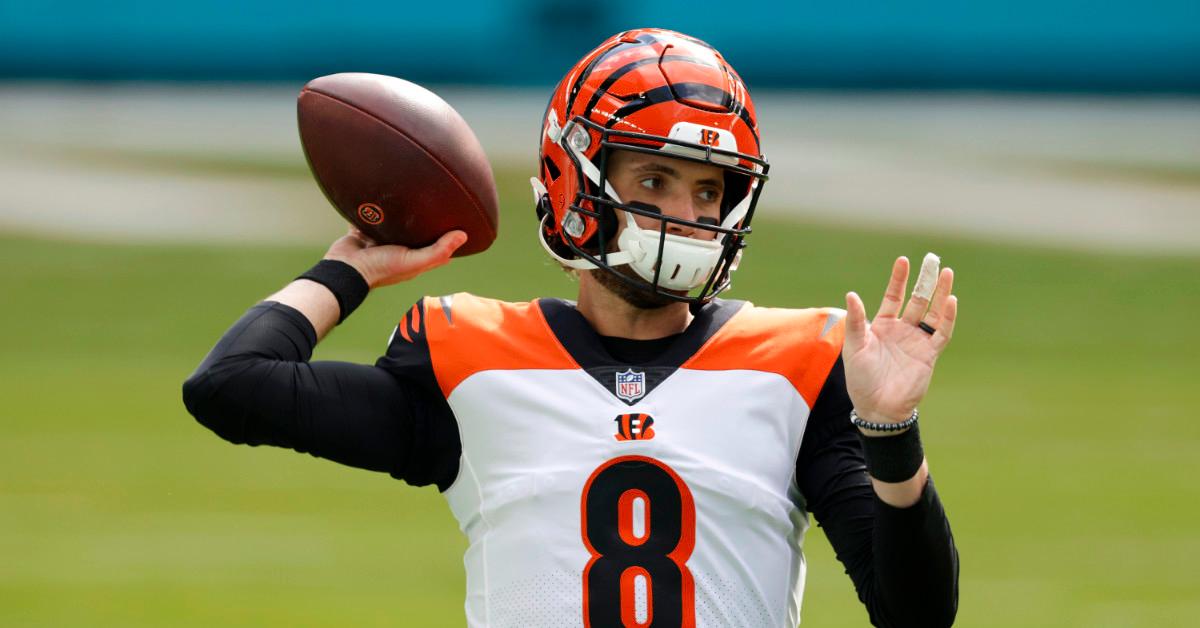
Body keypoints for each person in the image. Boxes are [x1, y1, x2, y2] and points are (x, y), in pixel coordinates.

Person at [183, 28, 959, 627]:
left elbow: (915, 613)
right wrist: (353, 267)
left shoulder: (799, 363)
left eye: (707, 192)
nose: (687, 218)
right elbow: (230, 388)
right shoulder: (470, 360)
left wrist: (890, 431)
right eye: (654, 179)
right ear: (574, 184)